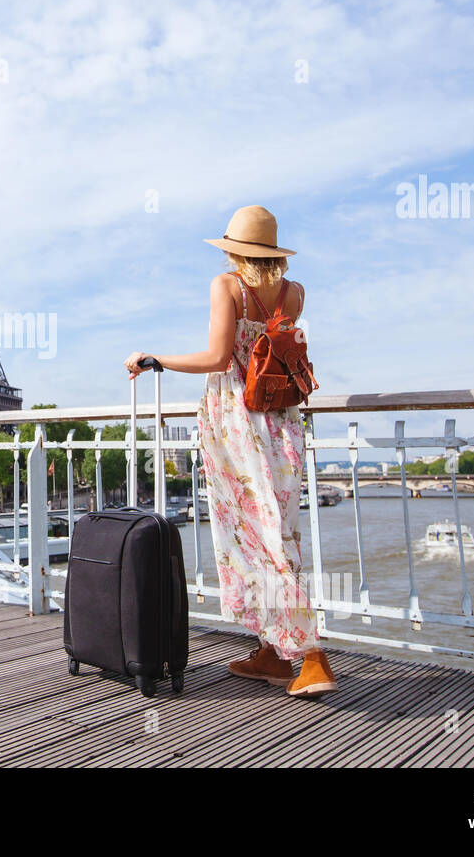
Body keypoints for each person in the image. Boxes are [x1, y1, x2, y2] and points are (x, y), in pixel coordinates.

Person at [123, 205, 337, 698]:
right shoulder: (295, 293)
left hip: (238, 423)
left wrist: (157, 359)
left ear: (233, 249)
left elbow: (219, 357)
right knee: (276, 534)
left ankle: (311, 656)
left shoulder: (227, 287)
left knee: (254, 539)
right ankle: (273, 652)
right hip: (282, 423)